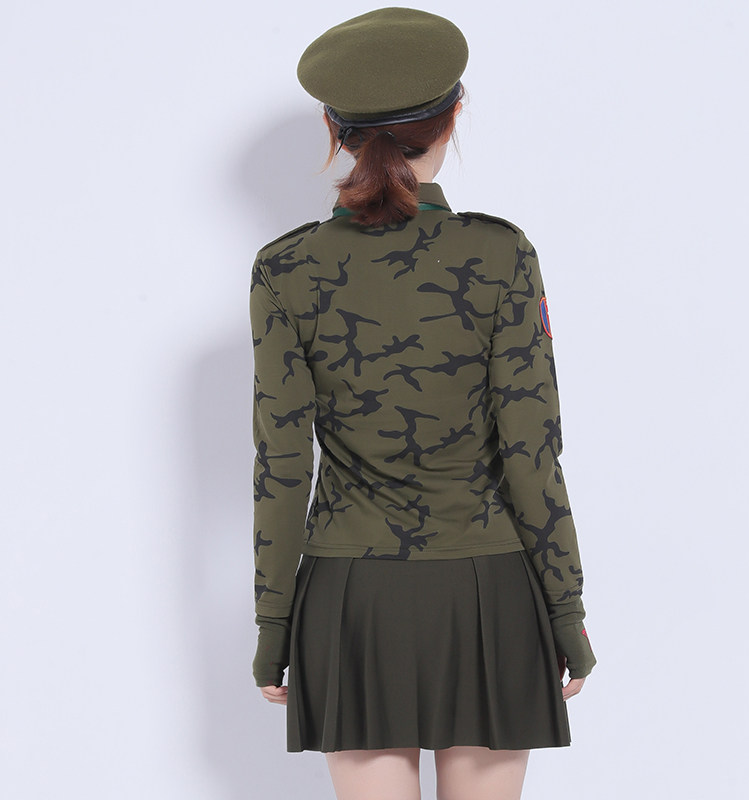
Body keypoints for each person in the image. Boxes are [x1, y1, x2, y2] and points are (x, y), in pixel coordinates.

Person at [248, 7, 597, 799]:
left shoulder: (286, 269)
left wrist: (274, 625)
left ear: (334, 131)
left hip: (352, 601)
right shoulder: (501, 253)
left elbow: (282, 463)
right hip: (491, 591)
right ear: (454, 117)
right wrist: (566, 611)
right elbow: (532, 452)